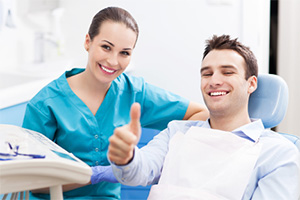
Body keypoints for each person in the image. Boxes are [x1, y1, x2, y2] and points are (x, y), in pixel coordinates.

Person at [22, 6, 209, 200]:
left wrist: (150, 157)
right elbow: (31, 182)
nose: (113, 61)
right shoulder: (46, 104)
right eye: (106, 47)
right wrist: (94, 175)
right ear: (88, 42)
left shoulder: (134, 92)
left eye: (124, 53)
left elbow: (200, 115)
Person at [108, 35, 300, 199]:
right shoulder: (176, 132)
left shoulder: (278, 154)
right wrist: (126, 157)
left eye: (227, 72)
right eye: (207, 74)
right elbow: (137, 172)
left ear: (251, 84)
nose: (214, 81)